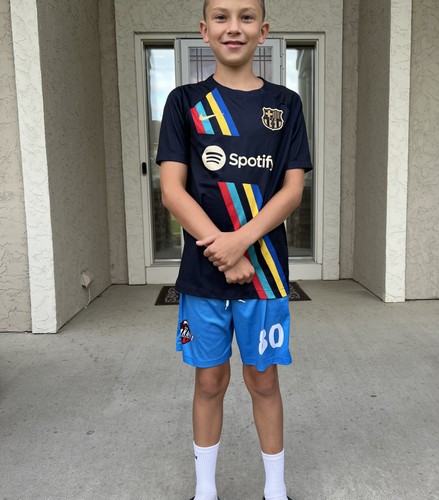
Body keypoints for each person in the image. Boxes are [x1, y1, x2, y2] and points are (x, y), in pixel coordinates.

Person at [156, 0, 312, 498]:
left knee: (263, 382)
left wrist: (240, 243)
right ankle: (205, 490)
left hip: (264, 273)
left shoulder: (286, 104)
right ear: (205, 31)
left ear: (263, 31)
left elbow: (292, 190)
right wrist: (222, 252)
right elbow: (172, 191)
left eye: (246, 17)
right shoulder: (184, 102)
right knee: (209, 383)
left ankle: (275, 489)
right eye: (221, 17)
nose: (234, 27)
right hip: (203, 276)